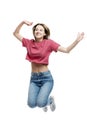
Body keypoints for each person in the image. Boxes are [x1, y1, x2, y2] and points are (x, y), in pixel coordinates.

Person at [13, 20, 84, 112]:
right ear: (34, 32)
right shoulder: (29, 43)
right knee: (31, 105)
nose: (38, 31)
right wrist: (23, 22)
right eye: (36, 30)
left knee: (41, 103)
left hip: (46, 78)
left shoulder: (49, 43)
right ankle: (44, 99)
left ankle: (50, 100)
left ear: (44, 33)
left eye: (41, 30)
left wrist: (77, 41)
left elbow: (66, 50)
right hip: (34, 79)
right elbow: (16, 33)